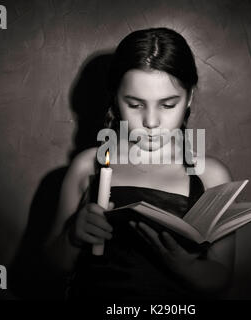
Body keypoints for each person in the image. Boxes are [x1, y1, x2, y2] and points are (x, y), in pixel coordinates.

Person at [44, 27, 235, 301]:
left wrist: (188, 267)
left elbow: (221, 277)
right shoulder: (88, 167)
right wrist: (72, 238)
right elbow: (51, 267)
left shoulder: (211, 176)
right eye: (135, 104)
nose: (151, 122)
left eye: (168, 105)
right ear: (116, 99)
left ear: (189, 98)